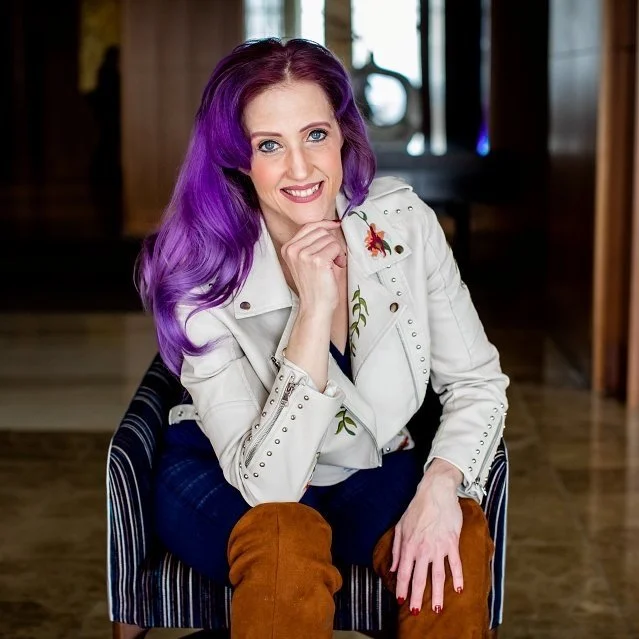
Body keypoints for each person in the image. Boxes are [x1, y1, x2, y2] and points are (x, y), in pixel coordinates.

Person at [136, 38, 509, 639]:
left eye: (315, 135)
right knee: (287, 540)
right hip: (231, 478)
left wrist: (443, 484)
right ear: (237, 159)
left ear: (343, 135)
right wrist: (314, 309)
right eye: (269, 145)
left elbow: (476, 382)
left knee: (456, 538)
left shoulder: (403, 224)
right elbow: (272, 487)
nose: (302, 169)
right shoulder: (200, 276)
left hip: (366, 466)